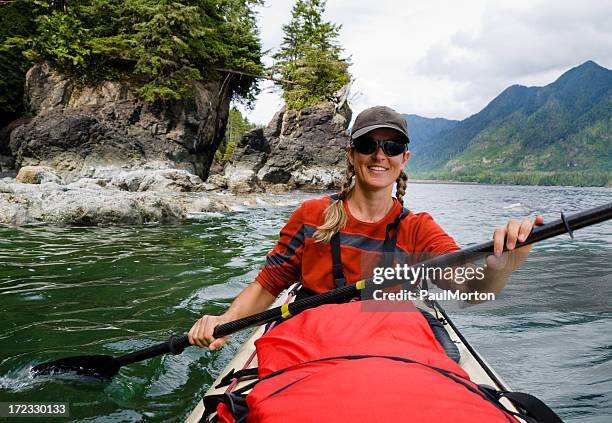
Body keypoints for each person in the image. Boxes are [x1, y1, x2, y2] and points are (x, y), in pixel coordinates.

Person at [189, 106, 543, 350]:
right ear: (351, 153)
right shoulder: (313, 215)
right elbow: (268, 285)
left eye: (392, 146)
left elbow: (470, 289)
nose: (379, 155)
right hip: (312, 341)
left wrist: (501, 267)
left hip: (387, 347)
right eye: (367, 144)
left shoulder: (417, 229)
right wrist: (226, 322)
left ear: (405, 158)